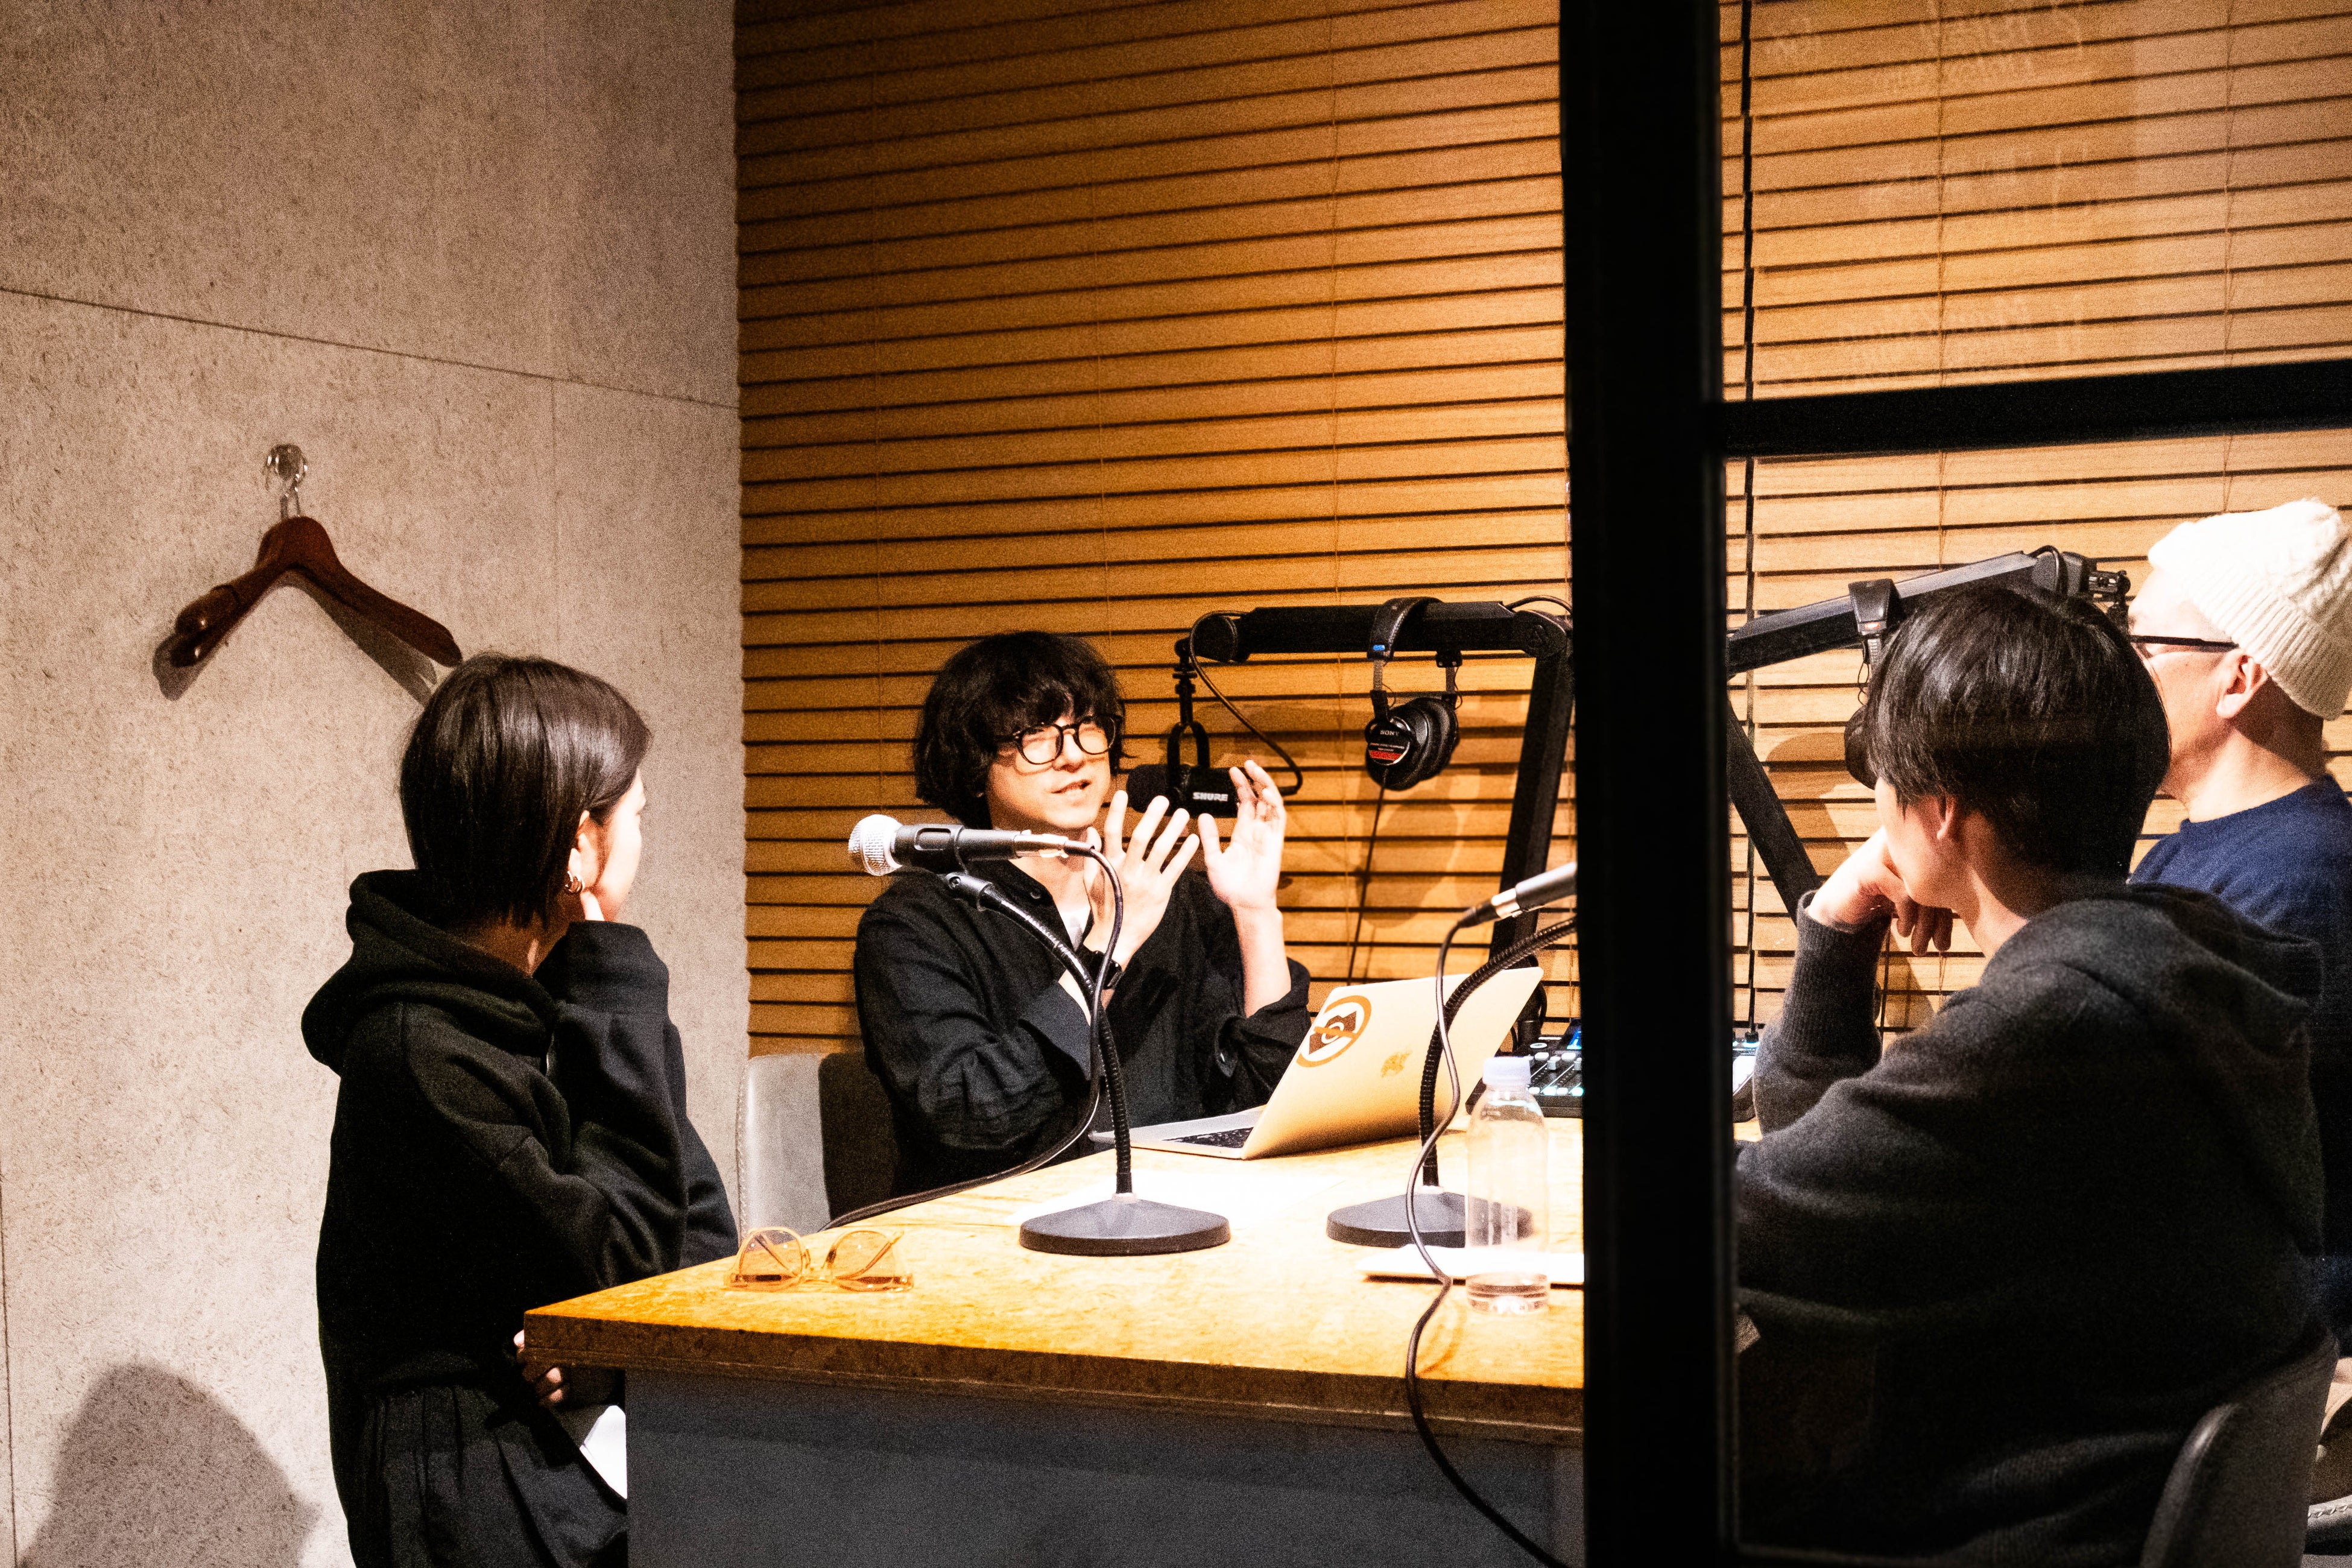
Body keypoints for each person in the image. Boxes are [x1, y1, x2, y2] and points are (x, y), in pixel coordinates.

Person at [1737, 586, 2324, 1563]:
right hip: (2099, 1512)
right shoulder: (2185, 967)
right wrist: (1840, 933)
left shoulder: (2050, 1027)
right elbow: (1828, 1190)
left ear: (1940, 811)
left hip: (2008, 1538)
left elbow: (1755, 1225)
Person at [305, 655, 735, 1568]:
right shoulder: (421, 1052)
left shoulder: (549, 994)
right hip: (477, 1485)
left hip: (554, 1458)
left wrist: (605, 1343)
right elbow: (627, 1269)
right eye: (637, 817)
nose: (643, 839)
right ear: (579, 845)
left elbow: (696, 1238)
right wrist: (616, 976)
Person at [853, 631, 1310, 1193]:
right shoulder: (914, 924)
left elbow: (1274, 1098)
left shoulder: (1174, 895)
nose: (1073, 755)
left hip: (1180, 1203)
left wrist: (1256, 913)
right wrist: (1112, 943)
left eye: (1087, 727)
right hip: (997, 1222)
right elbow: (973, 1115)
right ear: (975, 762)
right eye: (1035, 734)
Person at [2125, 498, 2352, 1339]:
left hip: (2257, 1351)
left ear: (2240, 677)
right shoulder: (2193, 852)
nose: (2122, 678)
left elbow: (2136, 1143)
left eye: (2145, 650)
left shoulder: (2295, 883)